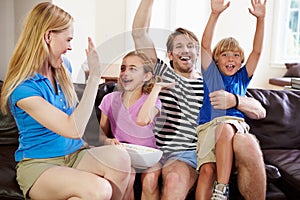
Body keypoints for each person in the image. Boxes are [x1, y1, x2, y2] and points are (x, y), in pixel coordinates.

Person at [132, 0, 266, 199]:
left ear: (198, 53)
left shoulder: (212, 78)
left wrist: (235, 100)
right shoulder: (163, 74)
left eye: (190, 46)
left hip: (216, 146)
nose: (185, 50)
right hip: (180, 153)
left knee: (248, 143)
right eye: (178, 47)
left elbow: (260, 110)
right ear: (169, 54)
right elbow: (139, 34)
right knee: (174, 180)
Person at [0, 2, 132, 200]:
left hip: (75, 156)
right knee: (99, 190)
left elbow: (76, 114)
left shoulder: (63, 68)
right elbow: (73, 128)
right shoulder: (22, 88)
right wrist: (94, 77)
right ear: (48, 36)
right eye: (68, 39)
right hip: (40, 165)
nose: (70, 47)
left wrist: (104, 140)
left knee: (121, 159)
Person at [196, 0, 267, 199]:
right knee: (207, 171)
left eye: (236, 55)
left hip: (233, 125)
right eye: (225, 55)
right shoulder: (211, 75)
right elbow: (205, 46)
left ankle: (221, 189)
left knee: (225, 127)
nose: (230, 59)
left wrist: (261, 19)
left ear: (241, 61)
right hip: (207, 127)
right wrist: (214, 14)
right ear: (216, 60)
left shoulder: (242, 78)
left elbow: (257, 51)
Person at [99, 50, 174, 200]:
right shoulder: (109, 99)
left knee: (151, 179)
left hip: (149, 156)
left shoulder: (153, 101)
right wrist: (107, 141)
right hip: (123, 154)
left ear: (146, 76)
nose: (125, 73)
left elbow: (143, 119)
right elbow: (101, 133)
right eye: (123, 68)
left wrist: (156, 88)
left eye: (133, 69)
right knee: (129, 175)